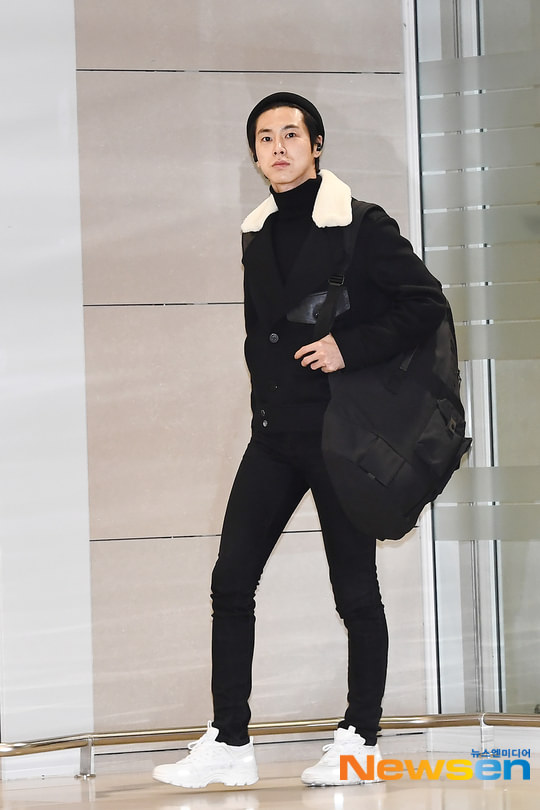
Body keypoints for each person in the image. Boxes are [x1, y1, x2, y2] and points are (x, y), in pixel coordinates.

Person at [153, 92, 447, 790]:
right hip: (276, 435)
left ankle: (360, 738)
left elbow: (426, 303)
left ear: (316, 145)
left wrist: (349, 347)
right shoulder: (257, 233)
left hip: (341, 436)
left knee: (355, 591)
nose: (278, 146)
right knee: (231, 581)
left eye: (291, 134)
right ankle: (230, 742)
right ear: (255, 156)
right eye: (265, 137)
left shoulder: (362, 226)